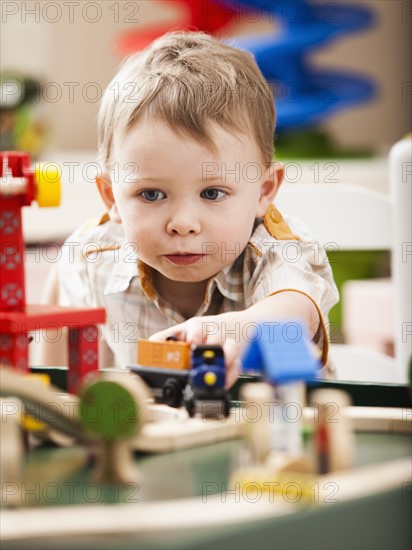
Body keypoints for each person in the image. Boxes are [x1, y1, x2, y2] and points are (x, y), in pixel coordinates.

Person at [42, 31, 339, 386]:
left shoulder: (277, 248)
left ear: (264, 191)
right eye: (151, 195)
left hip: (275, 428)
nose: (183, 224)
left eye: (212, 193)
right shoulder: (90, 257)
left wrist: (228, 329)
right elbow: (53, 372)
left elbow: (296, 313)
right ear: (111, 197)